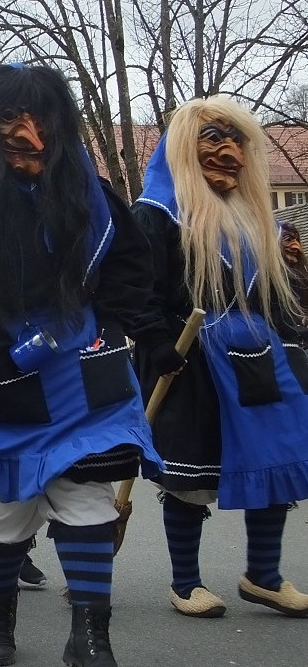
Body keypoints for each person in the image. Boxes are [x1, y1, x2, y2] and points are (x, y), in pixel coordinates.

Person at [0, 64, 162, 667]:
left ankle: (93, 635)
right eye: (9, 119)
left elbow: (132, 263)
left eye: (40, 119)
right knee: (3, 510)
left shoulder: (85, 188)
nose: (29, 133)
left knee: (86, 496)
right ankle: (0, 619)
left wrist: (104, 328)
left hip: (81, 367)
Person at [131, 95, 308, 620]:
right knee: (191, 476)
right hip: (189, 359)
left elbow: (279, 301)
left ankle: (264, 576)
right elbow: (139, 292)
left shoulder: (261, 223)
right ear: (185, 148)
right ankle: (186, 583)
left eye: (238, 142)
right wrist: (157, 343)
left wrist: (296, 336)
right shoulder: (157, 214)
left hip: (260, 356)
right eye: (214, 139)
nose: (230, 152)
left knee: (275, 460)